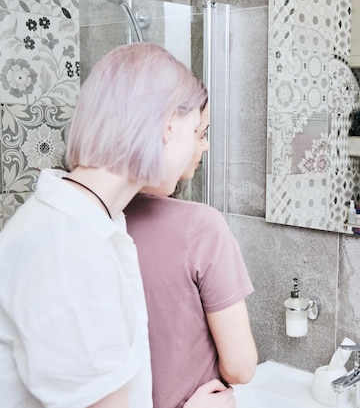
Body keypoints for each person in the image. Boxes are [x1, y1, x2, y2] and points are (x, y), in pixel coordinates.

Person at [0, 42, 207, 408]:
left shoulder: (86, 221)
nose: (200, 148)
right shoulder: (71, 249)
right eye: (196, 132)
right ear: (168, 125)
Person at [124, 103, 258, 408]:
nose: (206, 145)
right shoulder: (201, 226)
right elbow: (240, 367)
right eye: (200, 133)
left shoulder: (100, 218)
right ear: (167, 133)